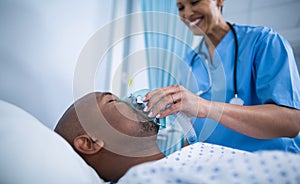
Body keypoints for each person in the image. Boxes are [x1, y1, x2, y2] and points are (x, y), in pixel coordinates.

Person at [142, 0, 300, 152]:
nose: (187, 13)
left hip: (268, 165)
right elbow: (195, 131)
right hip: (217, 168)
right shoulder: (190, 63)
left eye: (195, 1)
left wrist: (205, 107)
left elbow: (291, 123)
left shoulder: (263, 42)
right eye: (181, 8)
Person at [54, 92, 300, 183]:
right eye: (114, 101)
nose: (132, 98)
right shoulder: (144, 179)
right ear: (90, 143)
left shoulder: (181, 159)